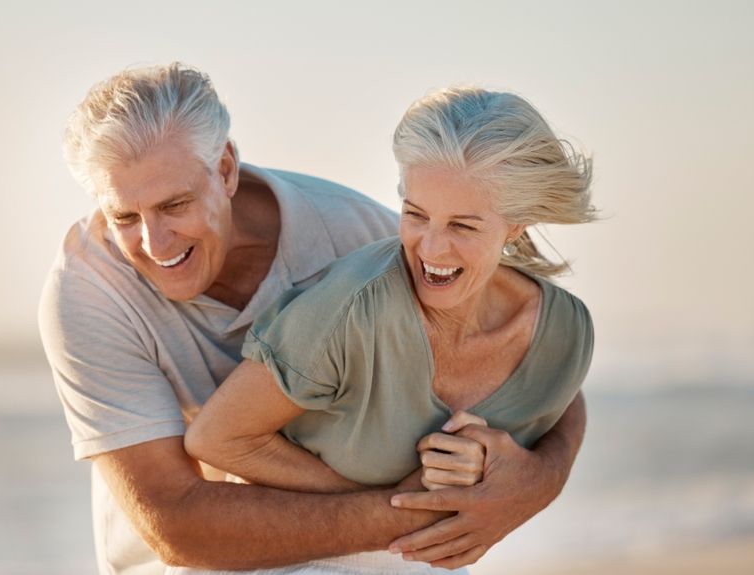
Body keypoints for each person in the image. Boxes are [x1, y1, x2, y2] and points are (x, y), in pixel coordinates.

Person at [39, 63, 588, 575]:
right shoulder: (88, 294)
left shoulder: (359, 237)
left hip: (362, 550)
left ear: (225, 168)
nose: (154, 243)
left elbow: (528, 367)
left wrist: (538, 480)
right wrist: (428, 509)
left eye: (174, 205)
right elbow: (178, 522)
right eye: (124, 216)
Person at [181, 86, 595, 574]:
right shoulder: (351, 310)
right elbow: (216, 439)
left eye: (463, 226)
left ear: (516, 226)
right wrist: (391, 501)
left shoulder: (562, 330)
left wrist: (525, 476)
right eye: (415, 215)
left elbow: (565, 406)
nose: (432, 249)